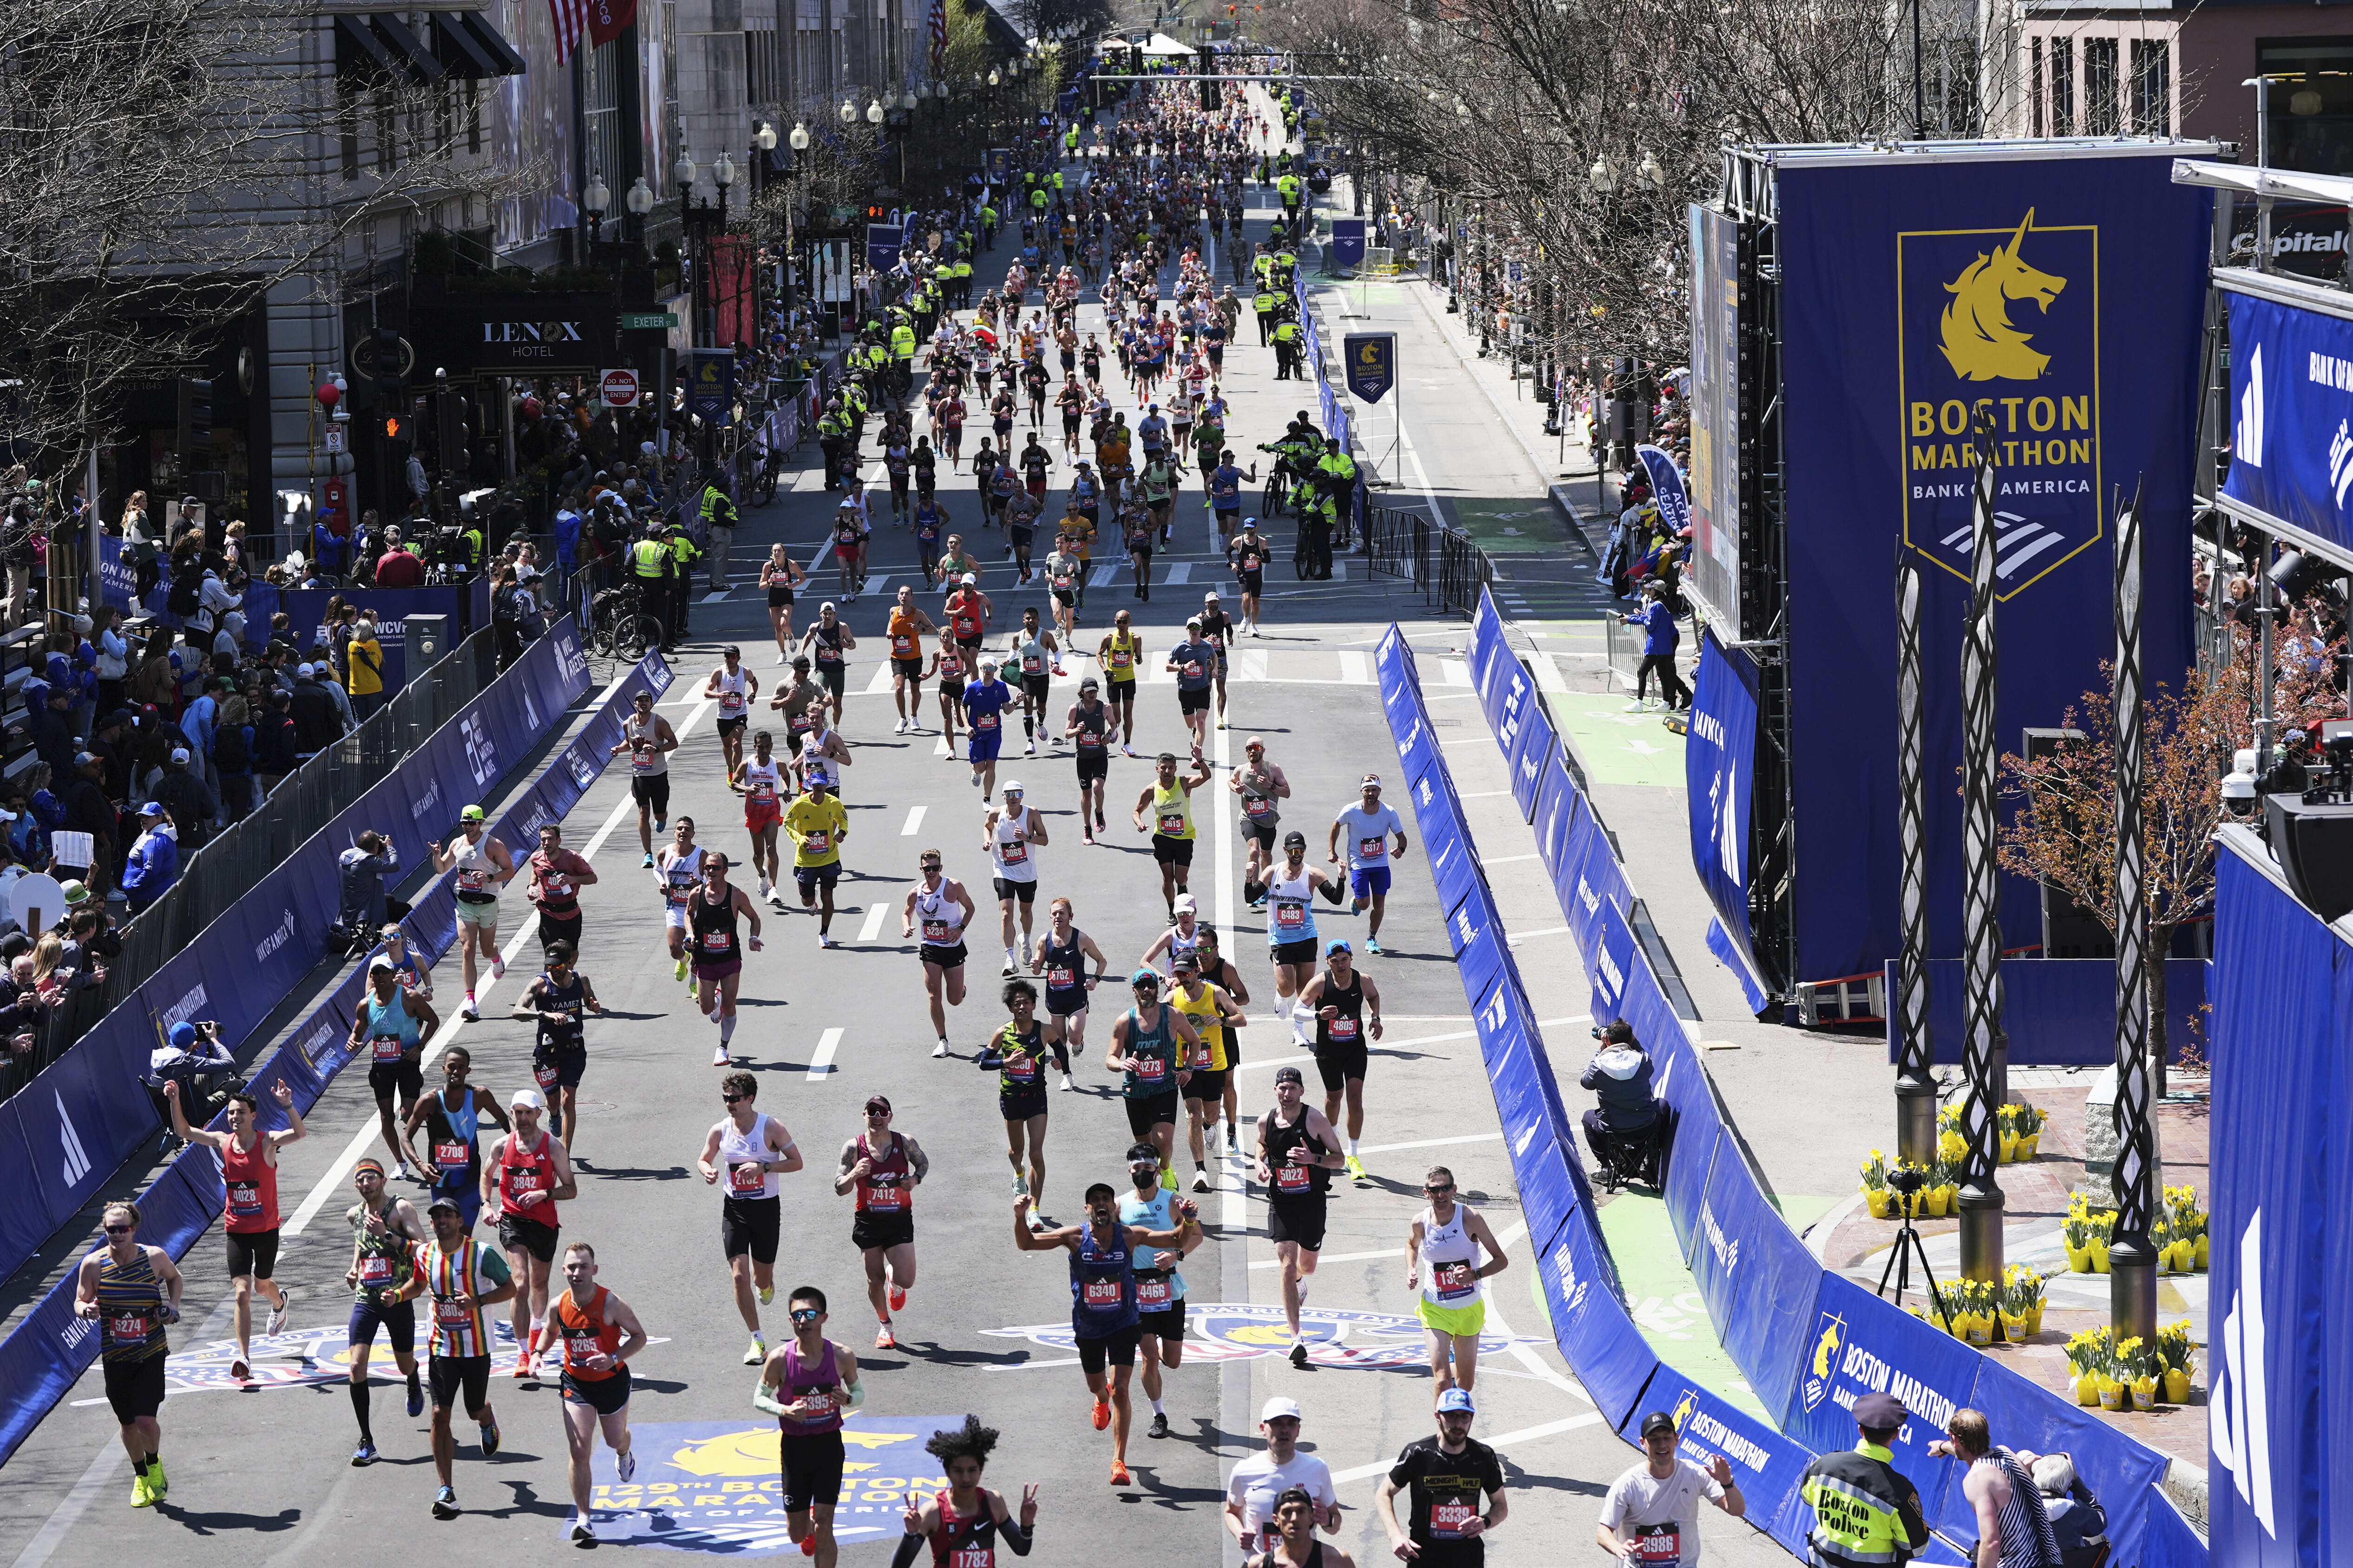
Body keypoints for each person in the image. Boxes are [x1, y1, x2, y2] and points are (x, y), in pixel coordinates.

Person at [1009, 1183, 1195, 1488]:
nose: (1100, 1204)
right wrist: (1019, 1217)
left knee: (1121, 1389)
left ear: (1113, 1207)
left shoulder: (1129, 1236)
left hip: (1123, 1323)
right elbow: (1027, 1244)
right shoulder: (1074, 1237)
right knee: (1100, 1386)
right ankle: (1100, 1399)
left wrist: (1187, 1220)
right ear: (1087, 1209)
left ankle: (1118, 1461)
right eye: (1094, 1200)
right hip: (1088, 1327)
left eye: (1105, 1200)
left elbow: (1176, 1239)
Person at [381, 1193, 515, 1520]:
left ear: (459, 1222)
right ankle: (447, 1490)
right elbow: (418, 1283)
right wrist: (398, 1295)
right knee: (440, 1415)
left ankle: (486, 1419)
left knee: (472, 1408)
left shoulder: (481, 1254)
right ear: (431, 1223)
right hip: (441, 1347)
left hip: (476, 1348)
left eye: (447, 1216)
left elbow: (512, 1288)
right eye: (436, 1217)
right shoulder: (425, 1253)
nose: (441, 1221)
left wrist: (478, 1302)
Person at [164, 1078, 304, 1382]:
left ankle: (279, 1303)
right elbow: (185, 1132)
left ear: (253, 1116)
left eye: (241, 1112)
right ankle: (244, 1358)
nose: (235, 1118)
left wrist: (288, 1105)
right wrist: (175, 1100)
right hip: (236, 1230)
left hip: (266, 1230)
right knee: (242, 1293)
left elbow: (299, 1133)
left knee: (262, 1287)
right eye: (231, 1113)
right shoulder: (223, 1142)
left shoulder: (268, 1142)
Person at [73, 1200, 184, 1508]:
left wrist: (172, 1307)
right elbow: (79, 1300)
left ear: (134, 1229)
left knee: (146, 1422)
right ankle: (140, 1476)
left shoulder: (154, 1258)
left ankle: (153, 1463)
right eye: (111, 1229)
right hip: (116, 1355)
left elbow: (175, 1279)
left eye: (123, 1229)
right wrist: (86, 1310)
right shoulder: (93, 1265)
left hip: (150, 1350)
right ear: (105, 1230)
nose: (117, 1234)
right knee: (127, 1425)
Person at [753, 1285, 864, 1568]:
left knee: (824, 1525)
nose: (804, 1321)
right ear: (791, 1321)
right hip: (795, 1450)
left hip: (828, 1446)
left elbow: (858, 1394)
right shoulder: (779, 1359)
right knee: (797, 1534)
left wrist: (848, 1399)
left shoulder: (842, 1356)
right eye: (798, 1316)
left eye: (810, 1314)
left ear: (823, 1318)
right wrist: (785, 1410)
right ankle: (808, 1526)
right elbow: (759, 1398)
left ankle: (821, 1523)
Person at [699, 1070, 804, 1365]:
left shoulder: (771, 1127)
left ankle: (767, 1285)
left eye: (734, 1099)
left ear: (750, 1099)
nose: (729, 1104)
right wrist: (706, 1170)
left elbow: (797, 1162)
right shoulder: (720, 1131)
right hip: (735, 1209)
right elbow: (703, 1158)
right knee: (739, 1275)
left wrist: (765, 1169)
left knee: (761, 1277)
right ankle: (757, 1340)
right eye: (725, 1098)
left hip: (766, 1209)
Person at [551, 1243, 649, 1543]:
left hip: (611, 1382)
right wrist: (538, 1353)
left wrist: (614, 1358)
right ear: (564, 1270)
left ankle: (624, 1451)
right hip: (576, 1384)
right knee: (580, 1450)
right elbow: (549, 1331)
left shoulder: (611, 1304)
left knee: (613, 1439)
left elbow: (640, 1337)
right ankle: (584, 1518)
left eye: (583, 1267)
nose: (576, 1272)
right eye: (571, 1267)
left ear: (594, 1270)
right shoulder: (559, 1305)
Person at [481, 1086, 578, 1379]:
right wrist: (487, 1205)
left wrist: (544, 1194)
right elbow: (486, 1176)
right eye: (517, 1113)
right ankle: (523, 1353)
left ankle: (536, 1333)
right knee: (520, 1284)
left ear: (538, 1114)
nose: (522, 1119)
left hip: (544, 1223)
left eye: (528, 1113)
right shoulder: (501, 1146)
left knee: (539, 1285)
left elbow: (572, 1190)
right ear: (512, 1114)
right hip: (512, 1219)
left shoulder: (552, 1148)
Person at [1258, 1065, 1345, 1368]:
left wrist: (1313, 1159)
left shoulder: (1315, 1120)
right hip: (1281, 1201)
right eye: (1282, 1088)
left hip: (1311, 1202)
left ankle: (1299, 1282)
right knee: (1286, 1263)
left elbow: (1340, 1159)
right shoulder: (1265, 1121)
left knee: (1305, 1266)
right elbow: (1261, 1146)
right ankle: (1296, 1338)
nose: (1287, 1093)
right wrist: (1260, 1163)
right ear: (1275, 1090)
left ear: (1302, 1091)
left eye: (1292, 1088)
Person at [342, 1158, 428, 1464]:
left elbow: (424, 1248)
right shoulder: (355, 1215)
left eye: (372, 1178)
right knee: (355, 1367)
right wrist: (354, 1270)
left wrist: (388, 1234)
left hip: (398, 1298)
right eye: (361, 1180)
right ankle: (367, 1441)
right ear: (356, 1186)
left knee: (404, 1364)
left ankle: (414, 1376)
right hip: (367, 1299)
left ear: (383, 1181)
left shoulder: (400, 1209)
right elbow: (361, 1245)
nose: (367, 1184)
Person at [1119, 1141, 1206, 1440]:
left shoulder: (1173, 1201)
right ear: (1129, 1170)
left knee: (1172, 1360)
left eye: (1148, 1168)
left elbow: (1197, 1235)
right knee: (1149, 1358)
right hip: (1136, 1291)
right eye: (1137, 1168)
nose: (1142, 1173)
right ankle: (1160, 1415)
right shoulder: (1120, 1205)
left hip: (1169, 1289)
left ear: (1158, 1170)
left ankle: (1163, 1359)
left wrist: (1176, 1255)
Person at [1404, 1167, 1510, 1401]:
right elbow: (1412, 1245)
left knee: (1465, 1385)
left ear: (1454, 1190)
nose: (1440, 1195)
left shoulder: (1470, 1219)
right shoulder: (1420, 1222)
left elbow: (1502, 1260)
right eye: (1434, 1190)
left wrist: (1475, 1275)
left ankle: (1453, 1362)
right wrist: (1411, 1268)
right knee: (1442, 1380)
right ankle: (1442, 1433)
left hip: (1468, 1309)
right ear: (1426, 1193)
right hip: (1435, 1308)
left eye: (1445, 1189)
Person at [836, 1096, 929, 1348]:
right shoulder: (853, 1148)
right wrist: (855, 1173)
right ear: (864, 1115)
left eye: (882, 1113)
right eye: (872, 1112)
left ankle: (896, 1279)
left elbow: (923, 1163)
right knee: (873, 1280)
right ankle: (885, 1325)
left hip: (899, 1220)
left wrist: (915, 1180)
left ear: (890, 1116)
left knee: (907, 1280)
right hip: (868, 1221)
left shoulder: (905, 1142)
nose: (877, 1117)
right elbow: (839, 1188)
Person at [1798, 1391, 1932, 1568]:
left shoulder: (1825, 1466)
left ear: (1860, 1430)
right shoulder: (1901, 1492)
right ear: (1896, 1434)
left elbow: (1807, 1496)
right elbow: (1916, 1548)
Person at [1595, 1406, 1742, 1565]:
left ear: (1676, 1439)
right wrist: (1617, 1546)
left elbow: (1736, 1510)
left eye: (1667, 1438)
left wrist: (1728, 1484)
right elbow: (1603, 1532)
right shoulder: (1627, 1484)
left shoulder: (1694, 1473)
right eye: (1654, 1439)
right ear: (1643, 1443)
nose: (1662, 1445)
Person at [1380, 1389, 1511, 1565]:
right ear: (1437, 1416)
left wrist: (1485, 1522)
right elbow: (1384, 1493)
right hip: (1424, 1557)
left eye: (1465, 1416)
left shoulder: (1483, 1456)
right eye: (1451, 1416)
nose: (1459, 1423)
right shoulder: (1419, 1453)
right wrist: (1395, 1535)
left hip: (1468, 1558)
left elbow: (1501, 1506)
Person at [889, 1415, 1040, 1567]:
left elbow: (1021, 1549)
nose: (966, 1478)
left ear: (981, 1471)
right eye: (958, 1471)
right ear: (948, 1472)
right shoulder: (933, 1512)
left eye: (972, 1470)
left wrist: (1026, 1525)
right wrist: (910, 1535)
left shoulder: (994, 1502)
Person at [1927, 1409, 2064, 1568]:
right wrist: (1944, 1447)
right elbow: (1974, 1455)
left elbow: (1991, 1543)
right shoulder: (2008, 1454)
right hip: (2054, 1562)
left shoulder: (1976, 1479)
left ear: (1954, 1439)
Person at [1295, 938, 1383, 1176]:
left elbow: (1373, 996)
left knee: (1355, 1098)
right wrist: (1318, 1015)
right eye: (1335, 961)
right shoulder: (1320, 983)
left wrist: (1376, 1018)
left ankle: (1353, 1156)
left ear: (1351, 958)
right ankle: (1332, 1143)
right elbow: (1297, 1010)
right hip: (1328, 1051)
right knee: (1334, 1097)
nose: (1341, 965)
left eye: (1344, 960)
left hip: (1355, 1048)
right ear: (1328, 962)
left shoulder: (1362, 980)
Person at [1108, 967, 1201, 1191]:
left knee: (1163, 1142)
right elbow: (1110, 1058)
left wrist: (1188, 1069)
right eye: (1142, 986)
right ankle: (1153, 1188)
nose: (1147, 990)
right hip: (1136, 1092)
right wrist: (1122, 1064)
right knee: (1146, 1150)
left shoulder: (1173, 1016)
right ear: (1134, 990)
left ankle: (1167, 1171)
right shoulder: (1124, 1022)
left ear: (1157, 989)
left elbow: (1195, 1042)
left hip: (1164, 1088)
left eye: (1151, 986)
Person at [402, 1046, 507, 1233]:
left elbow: (504, 1119)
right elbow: (406, 1138)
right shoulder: (430, 1100)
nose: (456, 1071)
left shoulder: (479, 1096)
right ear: (444, 1068)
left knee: (464, 1235)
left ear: (468, 1070)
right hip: (439, 1180)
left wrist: (519, 1145)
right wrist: (420, 1165)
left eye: (461, 1067)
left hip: (470, 1179)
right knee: (446, 1234)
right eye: (452, 1067)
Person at [1258, 831, 1350, 1043]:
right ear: (1286, 851)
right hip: (1281, 938)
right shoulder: (1274, 873)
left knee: (1305, 990)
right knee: (1288, 987)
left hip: (1306, 937)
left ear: (1304, 850)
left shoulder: (1313, 874)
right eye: (1293, 851)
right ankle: (1281, 996)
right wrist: (1250, 877)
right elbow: (1250, 896)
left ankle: (1298, 1031)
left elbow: (1336, 900)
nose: (1297, 854)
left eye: (1300, 850)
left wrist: (1342, 877)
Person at [1225, 1396, 1343, 1557]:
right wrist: (1240, 1534)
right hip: (1260, 1563)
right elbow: (1231, 1512)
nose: (1285, 1430)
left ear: (1298, 1430)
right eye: (1277, 1423)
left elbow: (1335, 1522)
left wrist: (1327, 1521)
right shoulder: (1244, 1471)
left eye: (1291, 1424)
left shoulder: (1317, 1469)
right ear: (1263, 1428)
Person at [353, 953, 436, 1182]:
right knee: (386, 1118)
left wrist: (420, 1046)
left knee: (408, 1114)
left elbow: (433, 1020)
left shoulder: (410, 997)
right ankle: (401, 1162)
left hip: (408, 1062)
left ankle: (432, 1123)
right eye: (375, 973)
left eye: (384, 972)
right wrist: (353, 1040)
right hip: (382, 1067)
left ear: (393, 975)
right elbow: (358, 1030)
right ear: (371, 976)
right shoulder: (366, 1004)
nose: (380, 977)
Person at [429, 804, 515, 1022]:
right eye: (464, 823)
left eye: (472, 823)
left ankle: (496, 957)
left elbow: (510, 870)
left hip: (488, 903)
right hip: (465, 903)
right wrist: (437, 856)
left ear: (480, 823)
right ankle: (471, 1002)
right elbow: (441, 869)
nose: (468, 827)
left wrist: (489, 878)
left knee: (486, 951)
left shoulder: (493, 845)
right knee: (468, 949)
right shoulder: (457, 844)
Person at [1168, 950, 1245, 1193]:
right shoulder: (1173, 997)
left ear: (1197, 971)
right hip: (1186, 1065)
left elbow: (1241, 1018)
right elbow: (1156, 1020)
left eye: (1186, 973)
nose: (1182, 978)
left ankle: (1210, 1126)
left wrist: (1222, 1021)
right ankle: (1200, 1170)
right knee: (1193, 1114)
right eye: (1178, 974)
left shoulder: (1216, 993)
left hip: (1214, 1065)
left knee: (1210, 1115)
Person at [518, 941, 603, 1148]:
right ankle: (554, 1114)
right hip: (547, 1050)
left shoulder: (581, 980)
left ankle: (565, 1155)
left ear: (569, 963)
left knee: (568, 1101)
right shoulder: (540, 984)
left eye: (558, 967)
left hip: (574, 1049)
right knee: (554, 1101)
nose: (553, 971)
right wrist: (544, 1014)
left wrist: (593, 1006)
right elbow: (518, 1011)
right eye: (550, 966)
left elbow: (590, 1000)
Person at [689, 851, 765, 1062]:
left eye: (716, 868)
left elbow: (754, 917)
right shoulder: (696, 894)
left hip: (730, 959)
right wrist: (689, 933)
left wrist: (753, 937)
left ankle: (723, 1047)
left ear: (725, 871)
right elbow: (688, 914)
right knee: (706, 1009)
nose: (711, 871)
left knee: (730, 1005)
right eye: (708, 867)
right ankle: (715, 1000)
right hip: (705, 960)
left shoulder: (736, 895)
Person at [905, 849, 977, 1057]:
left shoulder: (953, 887)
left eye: (935, 868)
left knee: (953, 1000)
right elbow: (906, 913)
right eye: (927, 869)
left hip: (953, 948)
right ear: (921, 869)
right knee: (934, 996)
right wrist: (906, 926)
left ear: (941, 868)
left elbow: (971, 908)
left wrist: (960, 929)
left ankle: (960, 990)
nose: (931, 872)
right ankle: (943, 1041)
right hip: (930, 948)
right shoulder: (915, 893)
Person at [990, 979, 1054, 1209]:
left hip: (1037, 1098)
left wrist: (1061, 1064)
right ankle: (1018, 1171)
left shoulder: (1044, 1030)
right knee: (1018, 1152)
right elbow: (983, 1062)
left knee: (1036, 1153)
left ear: (1034, 1005)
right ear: (1010, 1008)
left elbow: (1061, 1051)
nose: (1021, 1007)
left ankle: (1035, 1209)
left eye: (1026, 1002)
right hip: (1011, 1099)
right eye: (1016, 1004)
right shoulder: (1002, 1032)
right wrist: (1005, 1062)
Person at [1329, 774, 1409, 954]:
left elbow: (1402, 838)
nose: (1371, 793)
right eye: (1367, 790)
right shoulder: (1351, 810)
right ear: (1362, 792)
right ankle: (1358, 901)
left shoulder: (1389, 812)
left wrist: (1401, 850)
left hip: (1380, 862)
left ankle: (1371, 938)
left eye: (1374, 790)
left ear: (1379, 791)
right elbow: (1336, 825)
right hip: (1359, 862)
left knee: (1379, 905)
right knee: (1365, 904)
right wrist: (1331, 850)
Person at [1133, 751, 1213, 917]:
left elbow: (1206, 776)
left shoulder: (1184, 783)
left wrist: (1199, 759)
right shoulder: (1151, 789)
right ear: (1157, 769)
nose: (1167, 772)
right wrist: (1139, 822)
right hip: (1163, 838)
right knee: (1167, 879)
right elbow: (1136, 811)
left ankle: (1183, 889)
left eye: (1171, 768)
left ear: (1176, 769)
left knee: (1180, 879)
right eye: (1164, 768)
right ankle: (1172, 911)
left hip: (1184, 838)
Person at [983, 779, 1048, 975]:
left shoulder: (1032, 813)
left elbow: (1044, 839)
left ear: (1022, 796)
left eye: (1017, 794)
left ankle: (1026, 941)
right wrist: (987, 841)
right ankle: (1009, 959)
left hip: (1026, 872)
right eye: (1009, 795)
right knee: (1006, 913)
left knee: (1025, 911)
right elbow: (987, 827)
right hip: (1003, 870)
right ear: (1004, 797)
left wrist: (1027, 838)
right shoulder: (996, 813)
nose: (1013, 799)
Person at [785, 770, 850, 951]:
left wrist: (842, 833)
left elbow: (843, 820)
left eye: (821, 784)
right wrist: (800, 839)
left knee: (828, 896)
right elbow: (787, 823)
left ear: (826, 784)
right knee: (807, 900)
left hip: (829, 857)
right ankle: (812, 903)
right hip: (806, 860)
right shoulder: (800, 804)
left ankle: (824, 933)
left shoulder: (834, 803)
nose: (819, 788)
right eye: (815, 785)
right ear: (810, 785)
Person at [613, 689, 678, 868]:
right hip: (640, 774)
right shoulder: (628, 724)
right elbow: (629, 743)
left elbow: (674, 742)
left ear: (651, 703)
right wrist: (619, 749)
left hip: (658, 774)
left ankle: (662, 819)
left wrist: (657, 750)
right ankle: (648, 854)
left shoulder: (659, 722)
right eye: (640, 701)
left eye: (646, 701)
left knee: (659, 813)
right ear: (635, 704)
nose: (643, 704)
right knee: (643, 812)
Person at [1580, 1021, 1663, 1156]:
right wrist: (1633, 1042)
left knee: (1588, 1118)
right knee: (1663, 1105)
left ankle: (1606, 1167)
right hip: (1646, 1126)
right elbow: (1649, 1069)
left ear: (1606, 1039)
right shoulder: (1643, 1060)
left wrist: (1599, 1052)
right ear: (1631, 1039)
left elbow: (1586, 1083)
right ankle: (1653, 1159)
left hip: (1613, 1129)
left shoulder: (1598, 1065)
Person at [525, 822, 598, 956]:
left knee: (571, 952)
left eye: (550, 839)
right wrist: (531, 886)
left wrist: (574, 879)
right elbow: (535, 871)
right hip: (548, 912)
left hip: (570, 912)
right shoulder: (536, 858)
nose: (547, 843)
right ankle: (551, 976)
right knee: (551, 954)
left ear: (559, 841)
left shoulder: (572, 857)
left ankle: (568, 973)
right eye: (543, 840)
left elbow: (593, 878)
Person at [1621, 581, 1691, 712]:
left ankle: (1639, 703)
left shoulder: (1656, 606)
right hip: (1663, 644)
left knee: (1643, 672)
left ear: (1655, 591)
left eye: (1651, 589)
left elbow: (1651, 624)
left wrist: (1636, 618)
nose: (1647, 590)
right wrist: (1641, 616)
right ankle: (1666, 703)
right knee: (1663, 673)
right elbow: (1652, 621)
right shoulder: (1661, 604)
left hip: (1656, 645)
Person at [2028, 1454, 2109, 1568]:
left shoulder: (2017, 1506)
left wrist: (2022, 1471)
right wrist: (2076, 1481)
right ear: (2067, 1485)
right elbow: (2100, 1521)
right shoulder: (2076, 1511)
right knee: (2101, 1540)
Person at [655, 817, 707, 981]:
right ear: (675, 832)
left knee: (698, 950)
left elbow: (712, 880)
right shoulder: (665, 852)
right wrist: (662, 882)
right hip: (674, 907)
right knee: (674, 948)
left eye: (687, 829)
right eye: (680, 829)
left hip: (696, 909)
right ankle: (683, 961)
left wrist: (699, 883)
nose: (683, 831)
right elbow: (657, 870)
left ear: (693, 834)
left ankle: (694, 983)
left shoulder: (701, 855)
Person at [886, 586, 939, 735]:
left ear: (912, 597)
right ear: (898, 597)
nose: (904, 596)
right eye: (902, 594)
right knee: (899, 688)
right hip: (897, 658)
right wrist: (889, 631)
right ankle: (902, 718)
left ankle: (914, 716)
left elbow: (932, 629)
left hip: (915, 657)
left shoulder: (918, 614)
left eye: (907, 594)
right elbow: (891, 622)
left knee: (915, 690)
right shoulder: (893, 611)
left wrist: (920, 629)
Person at [960, 656, 1016, 797]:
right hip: (977, 734)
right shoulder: (973, 688)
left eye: (991, 668)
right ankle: (975, 769)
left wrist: (1016, 702)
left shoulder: (1001, 687)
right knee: (981, 769)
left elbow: (1007, 710)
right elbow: (963, 707)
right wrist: (967, 726)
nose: (988, 671)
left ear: (996, 670)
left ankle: (987, 799)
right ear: (981, 669)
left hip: (994, 734)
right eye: (986, 668)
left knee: (991, 766)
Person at [1165, 618, 1219, 760]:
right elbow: (1168, 667)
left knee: (1201, 720)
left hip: (1202, 689)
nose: (1194, 631)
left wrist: (1215, 668)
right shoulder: (1180, 647)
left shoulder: (1206, 646)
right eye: (1191, 628)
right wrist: (1183, 667)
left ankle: (1197, 754)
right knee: (1192, 724)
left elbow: (1214, 656)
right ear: (1187, 629)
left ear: (1201, 630)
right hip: (1185, 690)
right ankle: (1194, 730)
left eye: (1197, 628)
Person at [704, 645, 761, 777]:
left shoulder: (745, 672)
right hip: (724, 715)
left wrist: (752, 696)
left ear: (738, 658)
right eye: (727, 656)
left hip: (740, 712)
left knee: (737, 743)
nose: (730, 659)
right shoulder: (719, 673)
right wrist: (719, 695)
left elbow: (755, 684)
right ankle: (730, 768)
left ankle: (736, 773)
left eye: (733, 657)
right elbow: (706, 692)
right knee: (727, 745)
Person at [1095, 610, 1143, 754]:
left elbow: (1139, 657)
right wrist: (1106, 671)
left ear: (1130, 622)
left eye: (1124, 622)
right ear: (1115, 622)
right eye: (1119, 622)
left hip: (1129, 679)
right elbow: (1099, 654)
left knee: (1128, 714)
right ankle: (1115, 729)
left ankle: (1127, 744)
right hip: (1113, 681)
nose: (1122, 625)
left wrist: (1138, 659)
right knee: (1116, 716)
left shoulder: (1136, 639)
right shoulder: (1109, 638)